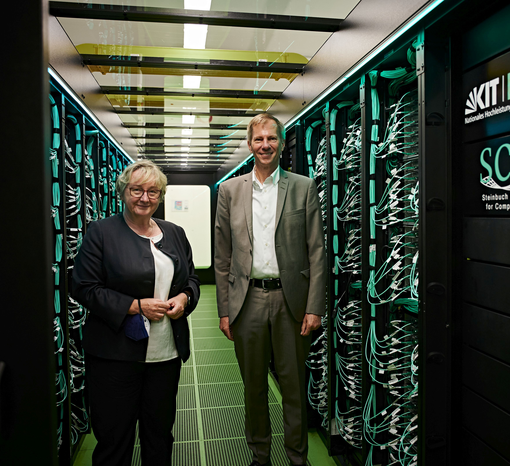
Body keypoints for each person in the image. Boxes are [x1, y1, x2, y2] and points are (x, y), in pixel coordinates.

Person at [214, 113, 326, 466]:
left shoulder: (303, 187)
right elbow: (222, 255)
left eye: (272, 139)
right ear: (249, 144)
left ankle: (297, 458)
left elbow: (317, 251)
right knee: (254, 388)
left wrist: (314, 307)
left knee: (293, 388)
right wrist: (224, 309)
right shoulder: (230, 191)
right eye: (259, 139)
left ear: (281, 142)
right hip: (246, 302)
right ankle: (260, 456)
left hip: (290, 301)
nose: (265, 145)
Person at [71, 160, 200, 466]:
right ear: (123, 192)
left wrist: (184, 298)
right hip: (115, 357)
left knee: (159, 436)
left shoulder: (175, 233)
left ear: (161, 195)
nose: (145, 197)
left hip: (165, 356)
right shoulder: (101, 233)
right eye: (137, 190)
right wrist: (135, 306)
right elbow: (83, 287)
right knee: (115, 440)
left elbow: (192, 279)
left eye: (153, 191)